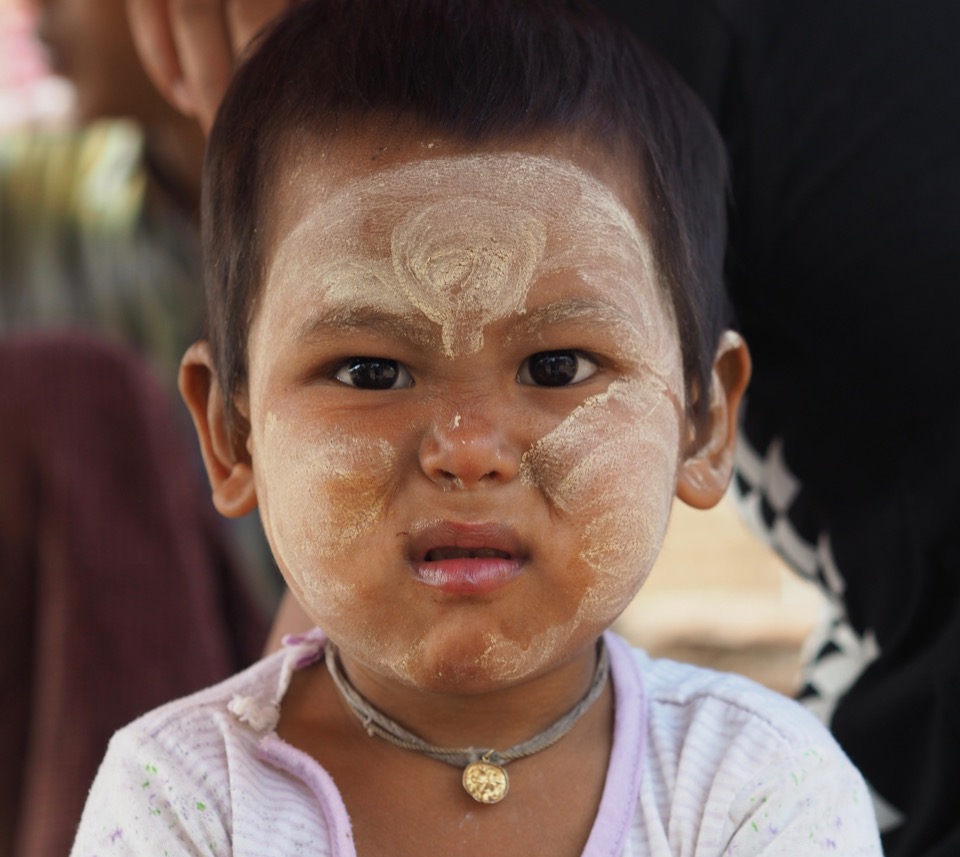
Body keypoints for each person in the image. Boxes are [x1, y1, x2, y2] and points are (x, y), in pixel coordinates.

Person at [122, 1, 960, 853]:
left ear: (704, 421)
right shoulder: (180, 799)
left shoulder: (766, 788)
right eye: (371, 372)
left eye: (556, 367)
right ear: (233, 433)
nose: (467, 447)